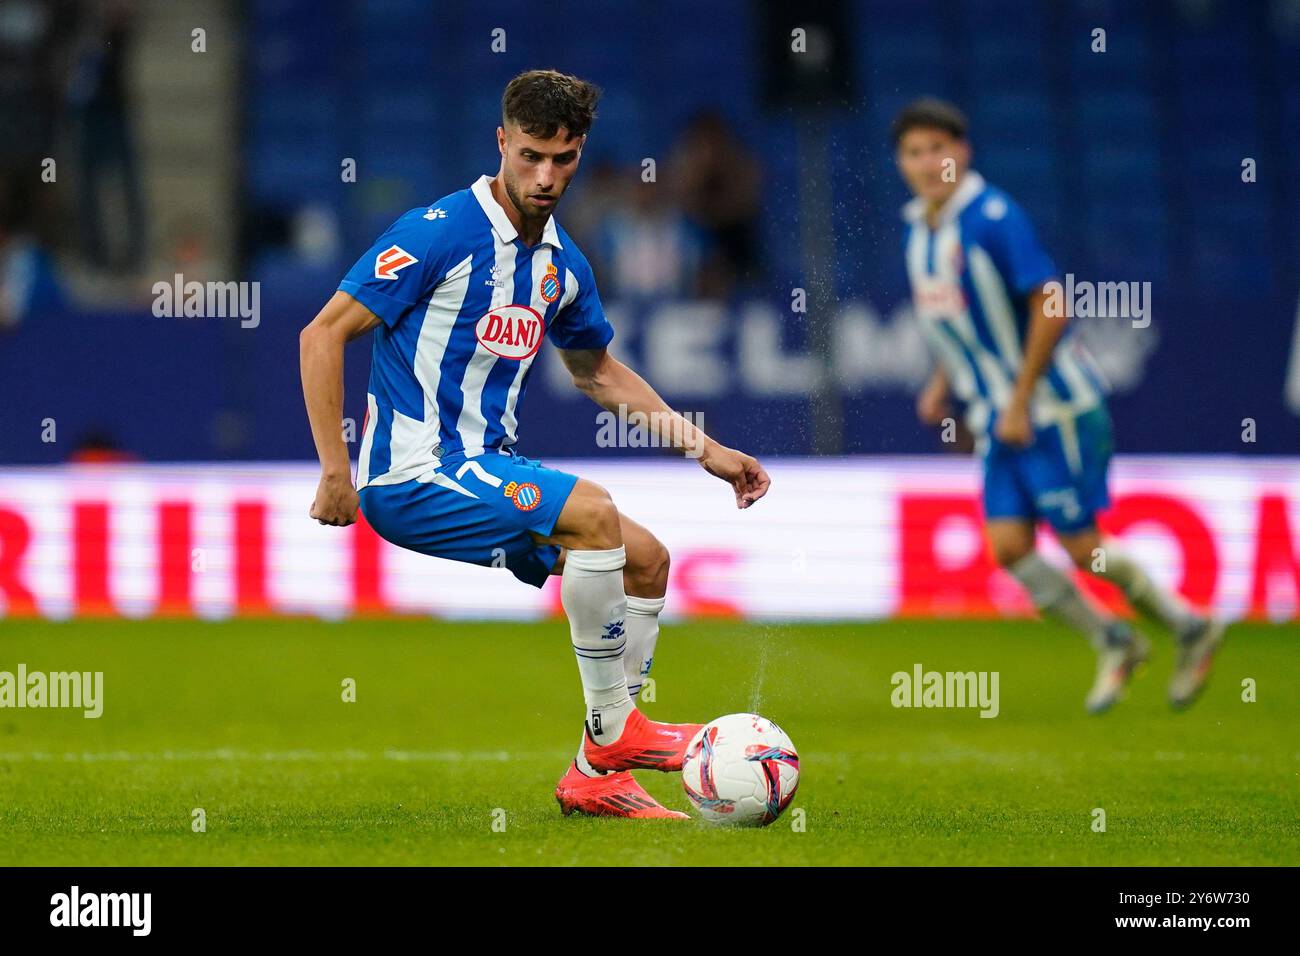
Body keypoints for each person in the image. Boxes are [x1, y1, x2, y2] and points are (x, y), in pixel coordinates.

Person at [299, 70, 770, 818]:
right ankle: (618, 728)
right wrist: (334, 470)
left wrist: (707, 450)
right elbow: (322, 334)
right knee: (594, 512)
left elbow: (599, 374)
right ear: (501, 144)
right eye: (531, 157)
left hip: (489, 466)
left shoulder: (562, 264)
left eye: (565, 159)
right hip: (414, 475)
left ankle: (596, 772)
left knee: (646, 561)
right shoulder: (438, 232)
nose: (547, 176)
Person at [893, 97, 1222, 713]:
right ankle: (1115, 639)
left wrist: (1019, 400)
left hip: (1053, 409)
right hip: (1001, 418)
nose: (927, 162)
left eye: (939, 148)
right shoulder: (920, 229)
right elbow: (965, 318)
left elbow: (1052, 304)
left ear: (962, 153)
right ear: (901, 163)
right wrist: (943, 379)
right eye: (914, 152)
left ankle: (1188, 624)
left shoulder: (992, 216)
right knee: (1011, 548)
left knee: (1082, 547)